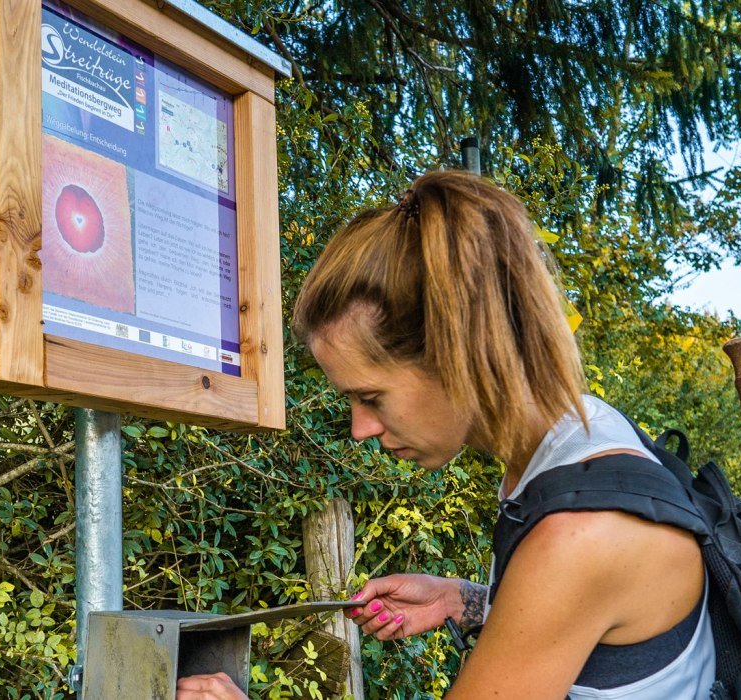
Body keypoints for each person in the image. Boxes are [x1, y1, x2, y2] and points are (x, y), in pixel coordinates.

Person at [178, 170, 713, 699]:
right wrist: (464, 600)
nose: (360, 429)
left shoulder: (579, 533)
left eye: (370, 397)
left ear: (457, 353)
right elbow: (598, 633)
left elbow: (573, 575)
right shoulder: (583, 434)